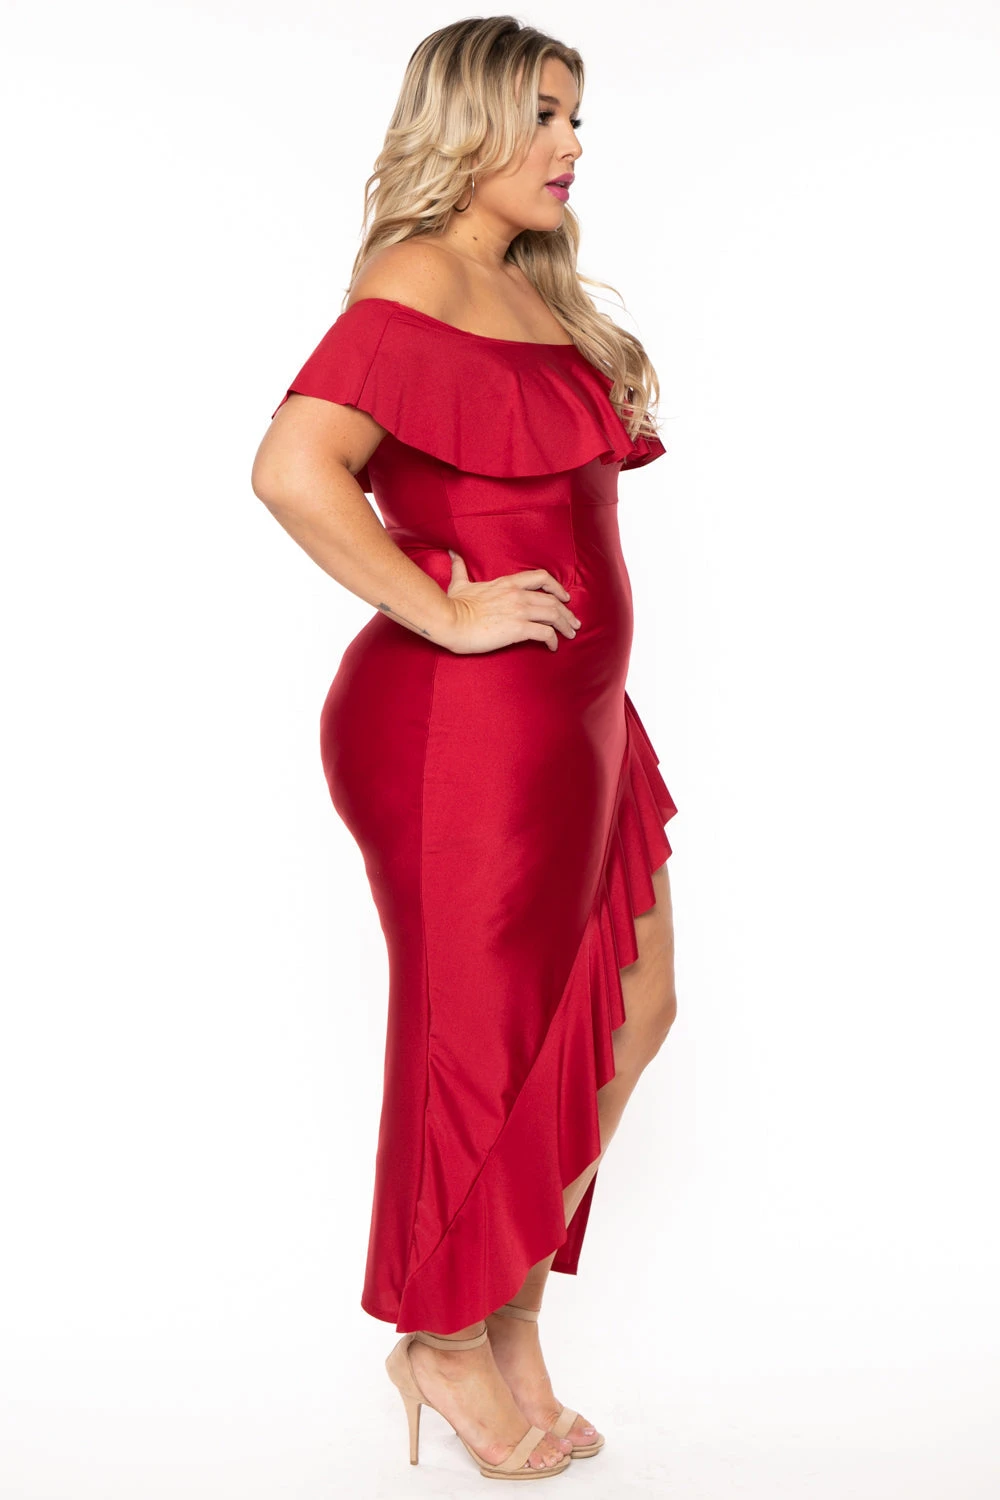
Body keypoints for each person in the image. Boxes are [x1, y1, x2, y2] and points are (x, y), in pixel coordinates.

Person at [251, 16, 680, 1483]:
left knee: (632, 1008)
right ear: (470, 125)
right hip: (461, 729)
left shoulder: (529, 285)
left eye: (577, 117)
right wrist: (439, 606)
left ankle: (501, 1323)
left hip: (581, 718)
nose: (571, 145)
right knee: (479, 1045)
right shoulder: (418, 275)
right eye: (544, 116)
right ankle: (445, 1336)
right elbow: (293, 466)